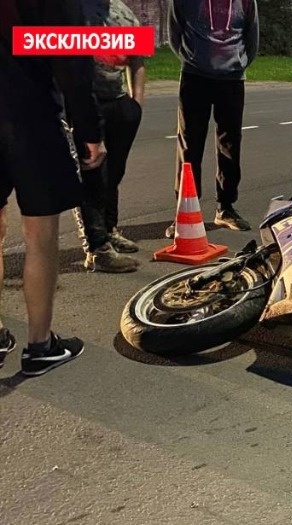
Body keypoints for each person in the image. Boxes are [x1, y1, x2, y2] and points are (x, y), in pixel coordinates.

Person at [0, 0, 105, 375]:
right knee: (40, 233)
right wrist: (89, 129)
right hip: (30, 115)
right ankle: (40, 345)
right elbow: (70, 56)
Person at [165, 0, 259, 238]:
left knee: (230, 144)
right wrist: (191, 59)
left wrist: (239, 63)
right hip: (194, 77)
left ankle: (225, 208)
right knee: (189, 145)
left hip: (232, 79)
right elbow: (174, 33)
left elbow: (252, 38)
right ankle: (185, 211)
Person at [76, 0, 146, 273]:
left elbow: (137, 60)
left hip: (118, 103)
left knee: (114, 171)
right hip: (84, 104)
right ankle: (97, 248)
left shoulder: (123, 12)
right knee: (92, 173)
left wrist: (136, 104)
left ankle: (109, 230)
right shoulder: (71, 10)